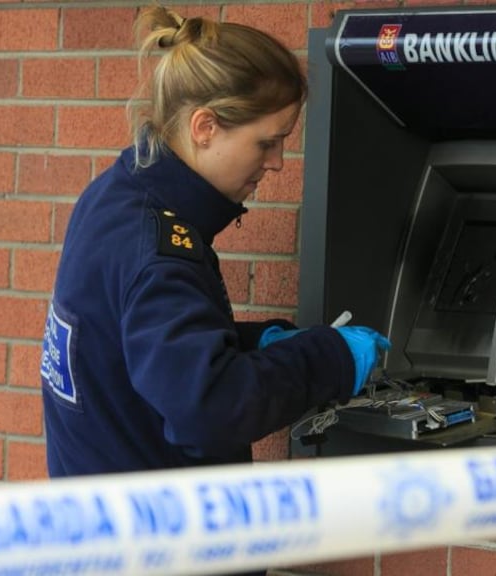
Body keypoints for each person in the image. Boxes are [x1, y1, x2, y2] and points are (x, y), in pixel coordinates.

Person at [40, 4, 390, 478]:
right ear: (205, 127)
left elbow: (140, 345)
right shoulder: (159, 251)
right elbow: (209, 409)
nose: (278, 162)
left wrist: (258, 343)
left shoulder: (117, 194)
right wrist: (330, 359)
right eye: (267, 142)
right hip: (158, 539)